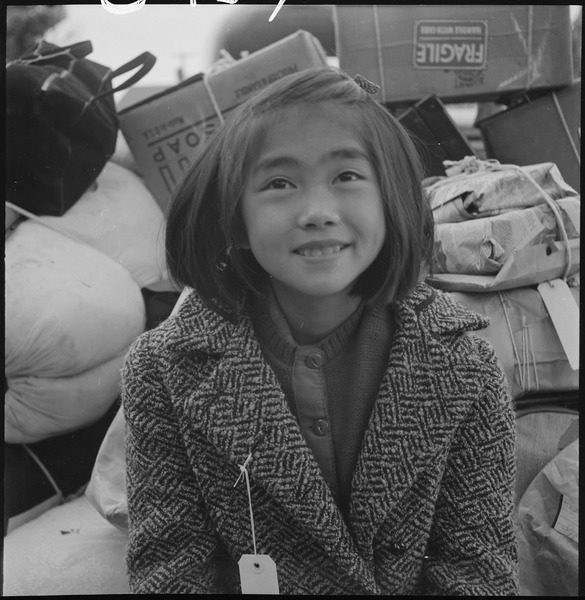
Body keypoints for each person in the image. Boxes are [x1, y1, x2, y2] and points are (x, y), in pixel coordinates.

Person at [122, 67, 519, 595]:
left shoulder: (466, 367)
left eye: (347, 177)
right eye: (279, 184)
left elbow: (478, 573)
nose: (316, 212)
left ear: (392, 198)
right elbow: (170, 569)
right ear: (235, 219)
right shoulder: (163, 371)